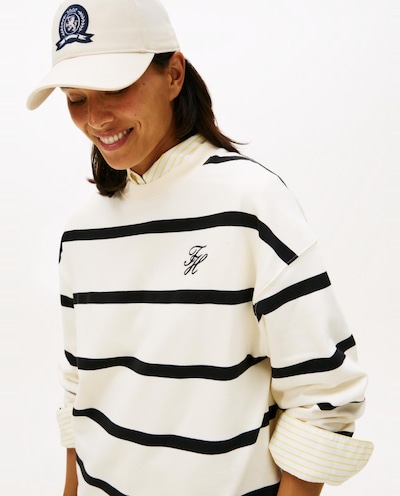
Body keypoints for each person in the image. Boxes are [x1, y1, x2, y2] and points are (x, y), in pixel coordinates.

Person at [27, 1, 373, 495]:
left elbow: (323, 393)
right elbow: (79, 386)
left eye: (115, 89)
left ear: (173, 74)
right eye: (76, 98)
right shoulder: (82, 231)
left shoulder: (251, 203)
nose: (96, 118)